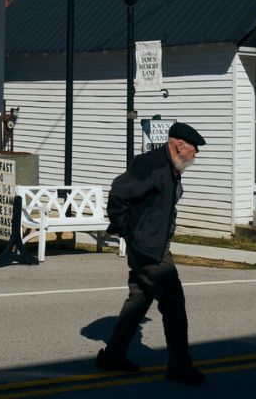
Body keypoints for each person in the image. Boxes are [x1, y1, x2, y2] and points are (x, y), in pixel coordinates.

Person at [96, 122, 206, 386]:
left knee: (139, 299)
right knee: (174, 306)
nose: (196, 155)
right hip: (148, 249)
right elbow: (119, 194)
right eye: (195, 149)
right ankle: (180, 366)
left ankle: (113, 356)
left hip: (152, 245)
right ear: (179, 145)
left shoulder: (170, 167)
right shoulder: (151, 165)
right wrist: (129, 234)